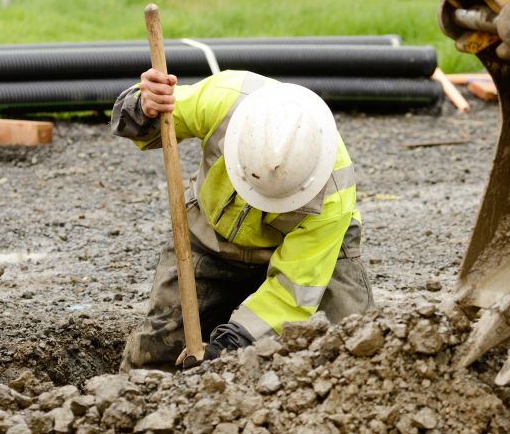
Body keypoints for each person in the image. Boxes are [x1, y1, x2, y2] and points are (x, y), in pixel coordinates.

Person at [111, 68, 373, 371]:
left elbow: (291, 295)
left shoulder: (332, 197)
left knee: (350, 351)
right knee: (156, 354)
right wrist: (144, 107)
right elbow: (158, 120)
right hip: (212, 238)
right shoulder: (226, 100)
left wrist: (225, 350)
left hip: (312, 257)